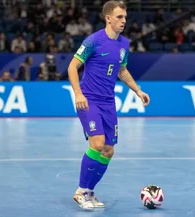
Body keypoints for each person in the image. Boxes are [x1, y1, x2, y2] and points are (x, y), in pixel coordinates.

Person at [67, 0, 150, 210]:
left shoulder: (124, 44)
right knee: (97, 143)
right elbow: (72, 67)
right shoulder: (93, 40)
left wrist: (138, 90)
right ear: (108, 18)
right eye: (119, 17)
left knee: (108, 151)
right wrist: (78, 93)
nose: (124, 20)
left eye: (125, 16)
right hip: (89, 99)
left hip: (108, 102)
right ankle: (80, 192)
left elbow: (122, 70)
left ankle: (89, 191)